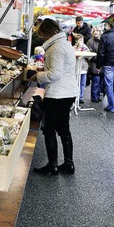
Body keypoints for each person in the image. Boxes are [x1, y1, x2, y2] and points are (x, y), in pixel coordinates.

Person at [32, 18, 78, 175]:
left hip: (58, 94)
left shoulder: (56, 48)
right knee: (64, 129)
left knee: (50, 129)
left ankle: (52, 166)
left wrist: (38, 75)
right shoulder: (65, 44)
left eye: (43, 34)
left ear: (48, 32)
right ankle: (68, 164)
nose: (43, 38)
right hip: (68, 92)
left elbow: (55, 74)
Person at [86, 26, 102, 102]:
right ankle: (94, 97)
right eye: (94, 30)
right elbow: (90, 53)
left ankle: (98, 95)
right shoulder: (90, 41)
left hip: (102, 64)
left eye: (97, 30)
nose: (96, 32)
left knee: (101, 82)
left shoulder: (103, 40)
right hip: (94, 63)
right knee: (96, 80)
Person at [73, 33, 90, 103]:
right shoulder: (73, 47)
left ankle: (80, 96)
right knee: (76, 82)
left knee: (83, 83)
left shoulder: (85, 47)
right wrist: (79, 48)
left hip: (84, 67)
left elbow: (88, 56)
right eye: (80, 40)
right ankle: (75, 96)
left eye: (82, 40)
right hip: (76, 67)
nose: (81, 42)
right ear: (76, 41)